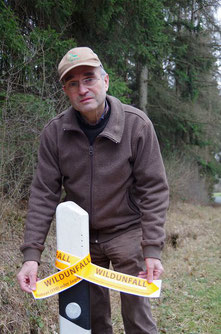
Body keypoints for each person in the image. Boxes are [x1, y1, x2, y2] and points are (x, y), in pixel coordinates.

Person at [17, 47, 169, 334]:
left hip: (127, 232)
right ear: (65, 90)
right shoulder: (55, 133)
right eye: (73, 83)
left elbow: (154, 189)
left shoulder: (137, 125)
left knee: (138, 317)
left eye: (89, 79)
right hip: (80, 239)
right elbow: (43, 196)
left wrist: (152, 249)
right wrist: (31, 257)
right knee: (91, 320)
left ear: (106, 80)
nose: (82, 89)